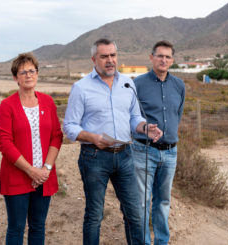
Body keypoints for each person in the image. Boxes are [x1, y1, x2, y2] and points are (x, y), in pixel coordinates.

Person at [63, 38, 163, 245]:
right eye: (104, 56)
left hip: (126, 156)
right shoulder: (81, 88)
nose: (110, 60)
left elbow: (135, 117)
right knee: (94, 215)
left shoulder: (128, 83)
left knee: (135, 213)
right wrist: (93, 138)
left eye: (113, 55)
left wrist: (146, 128)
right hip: (94, 158)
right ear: (94, 59)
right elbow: (70, 126)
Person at [0, 53, 63, 245]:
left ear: (37, 73)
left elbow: (57, 136)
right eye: (22, 72)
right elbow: (4, 143)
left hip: (44, 176)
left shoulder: (48, 102)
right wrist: (31, 170)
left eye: (31, 71)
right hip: (17, 175)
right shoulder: (6, 105)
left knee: (38, 226)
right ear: (15, 77)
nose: (28, 75)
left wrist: (45, 170)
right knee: (16, 228)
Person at [131, 40, 185, 245]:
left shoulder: (179, 85)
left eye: (168, 56)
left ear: (172, 60)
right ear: (151, 57)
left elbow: (177, 115)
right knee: (142, 202)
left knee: (163, 202)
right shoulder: (138, 84)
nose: (163, 60)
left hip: (170, 153)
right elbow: (131, 116)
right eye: (160, 55)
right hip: (143, 151)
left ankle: (162, 241)